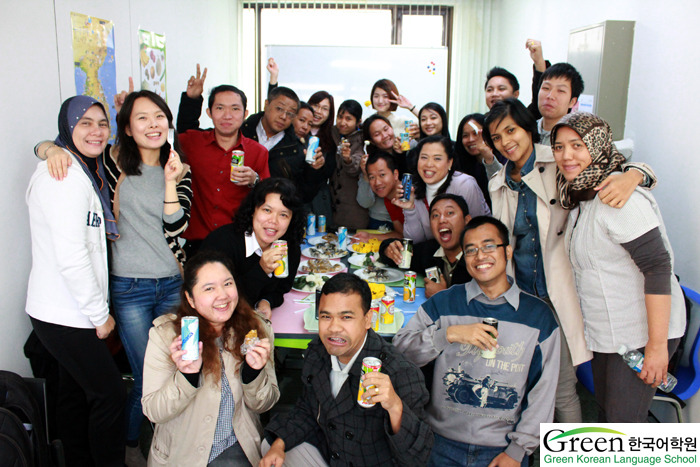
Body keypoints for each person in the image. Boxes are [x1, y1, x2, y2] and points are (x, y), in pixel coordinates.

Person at [484, 97, 657, 423]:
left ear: (528, 128)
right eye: (496, 137)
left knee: (563, 386)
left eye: (511, 130)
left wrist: (635, 175)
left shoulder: (559, 160)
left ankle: (568, 451)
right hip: (524, 297)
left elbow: (620, 164)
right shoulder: (498, 183)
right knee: (523, 380)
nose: (506, 142)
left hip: (563, 295)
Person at [551, 112, 686, 422]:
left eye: (577, 145)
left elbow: (657, 268)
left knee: (622, 425)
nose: (566, 155)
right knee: (608, 415)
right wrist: (638, 172)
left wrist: (656, 347)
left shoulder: (620, 198)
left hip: (641, 334)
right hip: (610, 334)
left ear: (597, 146)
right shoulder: (582, 194)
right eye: (558, 147)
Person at [393, 216, 560, 467]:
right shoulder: (444, 303)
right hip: (439, 443)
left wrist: (517, 451)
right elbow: (399, 352)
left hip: (502, 450)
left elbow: (543, 392)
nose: (480, 255)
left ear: (508, 251)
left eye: (489, 246)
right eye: (471, 250)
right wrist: (448, 334)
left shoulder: (539, 316)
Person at [26, 96, 126, 466]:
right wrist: (99, 315)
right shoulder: (64, 176)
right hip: (66, 311)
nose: (96, 131)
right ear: (69, 127)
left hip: (65, 307)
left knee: (73, 394)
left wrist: (46, 146)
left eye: (102, 123)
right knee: (110, 394)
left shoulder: (83, 167)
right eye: (85, 123)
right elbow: (72, 258)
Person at [260, 273, 433, 467]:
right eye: (326, 316)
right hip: (330, 454)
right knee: (269, 447)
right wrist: (280, 443)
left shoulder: (401, 373)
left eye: (346, 317)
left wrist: (395, 406)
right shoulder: (318, 353)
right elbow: (307, 409)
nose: (334, 328)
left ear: (368, 319)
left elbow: (418, 458)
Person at [142, 250, 279, 466]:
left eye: (228, 284)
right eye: (209, 288)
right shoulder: (167, 336)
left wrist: (253, 373)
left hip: (236, 447)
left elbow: (265, 404)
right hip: (182, 452)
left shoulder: (257, 328)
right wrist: (187, 376)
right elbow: (154, 412)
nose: (222, 295)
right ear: (190, 298)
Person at [174, 66, 270, 257]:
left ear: (245, 113)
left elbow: (269, 198)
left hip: (238, 245)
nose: (227, 115)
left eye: (235, 109)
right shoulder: (192, 142)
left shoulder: (258, 152)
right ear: (209, 112)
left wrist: (255, 181)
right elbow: (165, 137)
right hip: (196, 245)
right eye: (220, 108)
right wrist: (191, 99)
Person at [200, 177, 304, 319]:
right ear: (253, 210)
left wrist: (266, 301)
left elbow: (281, 289)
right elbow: (219, 300)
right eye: (267, 210)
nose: (273, 221)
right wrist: (262, 270)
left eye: (283, 215)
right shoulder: (221, 243)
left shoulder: (288, 247)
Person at [397, 135, 490, 243]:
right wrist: (409, 209)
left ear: (449, 162)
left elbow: (477, 231)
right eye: (424, 157)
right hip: (435, 254)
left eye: (437, 158)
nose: (429, 164)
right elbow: (415, 241)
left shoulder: (465, 184)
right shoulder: (413, 187)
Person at [379, 193, 472, 298]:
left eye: (449, 213)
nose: (441, 220)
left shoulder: (477, 259)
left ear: (466, 221)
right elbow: (392, 258)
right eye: (435, 215)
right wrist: (388, 249)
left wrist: (443, 297)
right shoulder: (429, 251)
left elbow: (485, 306)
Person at [328, 99, 369, 230]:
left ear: (358, 122)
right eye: (340, 117)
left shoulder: (362, 140)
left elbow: (355, 169)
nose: (342, 122)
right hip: (333, 205)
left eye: (348, 118)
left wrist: (347, 160)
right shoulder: (333, 133)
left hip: (353, 208)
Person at [535, 62, 584, 145]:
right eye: (546, 88)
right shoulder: (526, 130)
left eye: (561, 91)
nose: (550, 96)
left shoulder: (577, 139)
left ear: (572, 102)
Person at [453, 113, 498, 204]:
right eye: (465, 135)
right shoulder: (458, 165)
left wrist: (489, 158)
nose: (471, 139)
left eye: (476, 133)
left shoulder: (504, 158)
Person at [356, 152, 404, 235]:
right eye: (372, 177)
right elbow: (401, 234)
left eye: (382, 175)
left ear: (395, 174)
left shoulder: (410, 194)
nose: (377, 183)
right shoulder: (388, 200)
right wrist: (369, 236)